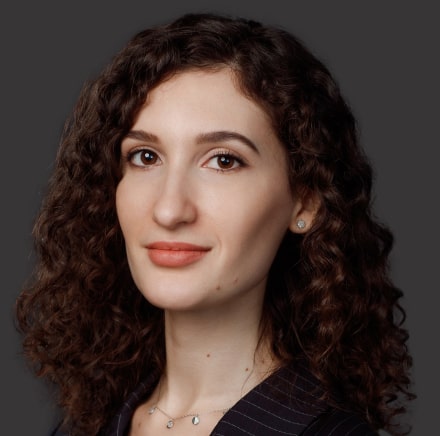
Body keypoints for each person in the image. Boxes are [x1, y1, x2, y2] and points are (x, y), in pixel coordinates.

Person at [15, 12, 415, 436]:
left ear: (306, 201)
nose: (169, 210)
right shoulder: (81, 426)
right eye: (145, 157)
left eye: (224, 161)